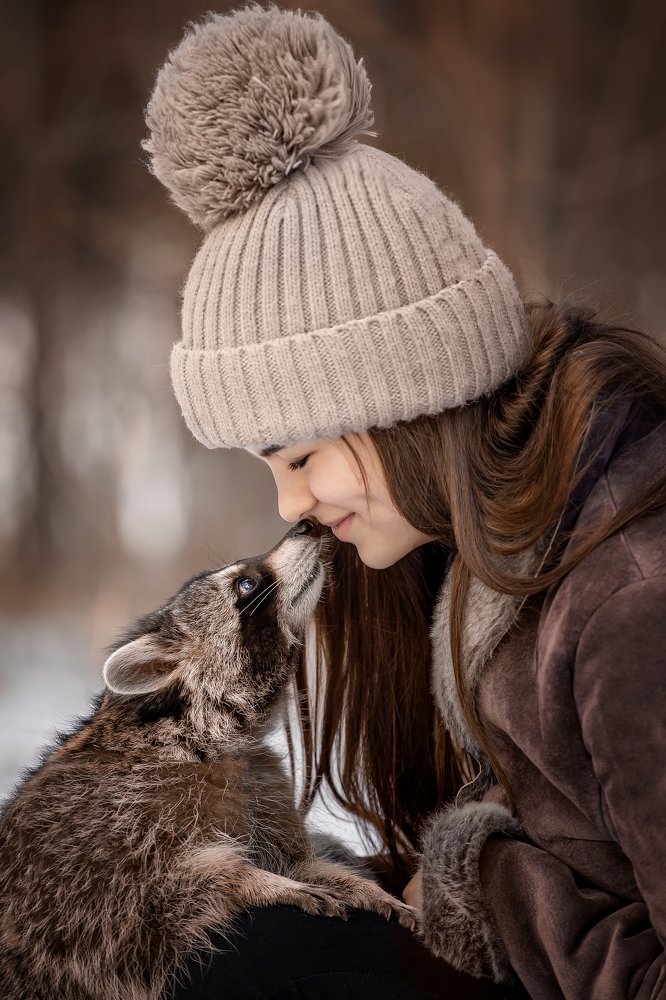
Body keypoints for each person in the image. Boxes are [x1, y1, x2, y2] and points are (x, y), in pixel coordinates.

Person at [145, 6, 666, 999]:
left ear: (397, 403)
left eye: (298, 455)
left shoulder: (633, 599)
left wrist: (488, 882)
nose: (292, 506)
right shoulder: (452, 563)